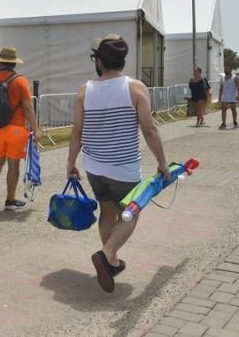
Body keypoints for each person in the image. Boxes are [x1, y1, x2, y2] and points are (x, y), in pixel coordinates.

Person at [66, 35, 169, 293]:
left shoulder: (83, 91)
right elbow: (149, 129)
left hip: (95, 168)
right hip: (124, 169)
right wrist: (162, 163)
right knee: (130, 213)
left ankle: (110, 263)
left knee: (107, 212)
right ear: (123, 61)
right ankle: (107, 252)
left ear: (99, 61)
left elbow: (77, 132)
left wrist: (70, 164)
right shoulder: (135, 89)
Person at [0, 46, 41, 211]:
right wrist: (36, 128)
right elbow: (27, 107)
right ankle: (10, 200)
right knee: (13, 164)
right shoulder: (20, 80)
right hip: (16, 129)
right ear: (13, 64)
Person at [218, 65, 239, 129]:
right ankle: (223, 123)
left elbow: (238, 88)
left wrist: (238, 95)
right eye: (225, 69)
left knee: (233, 110)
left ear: (230, 69)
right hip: (224, 97)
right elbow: (221, 88)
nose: (226, 70)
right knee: (223, 110)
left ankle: (234, 121)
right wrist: (219, 96)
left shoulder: (235, 78)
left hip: (232, 97)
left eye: (227, 69)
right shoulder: (222, 78)